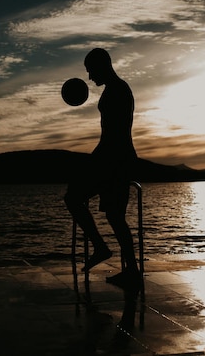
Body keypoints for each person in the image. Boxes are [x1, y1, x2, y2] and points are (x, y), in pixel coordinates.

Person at [64, 48, 140, 288]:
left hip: (115, 160)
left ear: (101, 65)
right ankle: (130, 269)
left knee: (75, 198)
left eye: (90, 70)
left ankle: (102, 248)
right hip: (114, 159)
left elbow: (115, 135)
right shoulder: (114, 90)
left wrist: (94, 161)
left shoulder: (118, 90)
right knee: (114, 217)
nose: (89, 77)